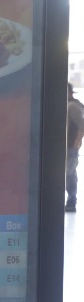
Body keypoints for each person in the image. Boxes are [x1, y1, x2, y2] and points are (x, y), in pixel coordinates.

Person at [66, 82, 83, 213]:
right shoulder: (69, 105)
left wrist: (76, 143)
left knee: (68, 173)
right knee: (70, 174)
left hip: (70, 147)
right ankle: (71, 201)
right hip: (68, 147)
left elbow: (82, 126)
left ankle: (71, 200)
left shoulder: (72, 106)